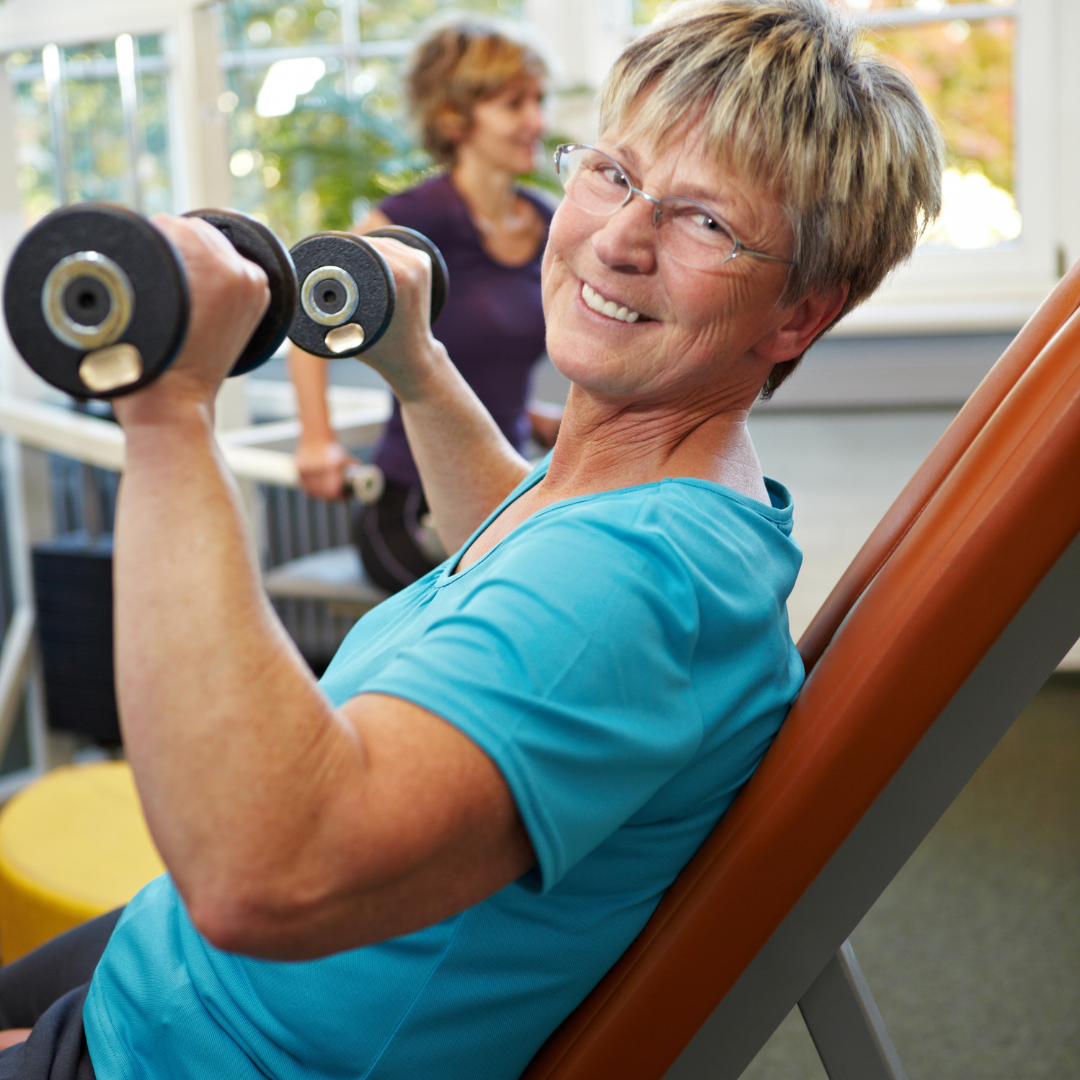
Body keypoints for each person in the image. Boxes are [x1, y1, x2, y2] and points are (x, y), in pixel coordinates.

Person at [0, 3, 943, 1078]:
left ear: (797, 316)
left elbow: (263, 875)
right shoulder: (646, 495)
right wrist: (414, 363)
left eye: (706, 224)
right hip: (171, 970)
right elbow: (518, 548)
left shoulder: (643, 583)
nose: (620, 240)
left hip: (195, 1047)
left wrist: (169, 412)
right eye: (615, 174)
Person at [289, 17, 562, 592]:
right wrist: (317, 438)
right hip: (410, 499)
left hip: (509, 483)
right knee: (488, 607)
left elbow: (491, 350)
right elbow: (310, 311)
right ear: (454, 117)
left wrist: (527, 412)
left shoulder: (546, 220)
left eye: (538, 100)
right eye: (515, 104)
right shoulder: (412, 219)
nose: (537, 120)